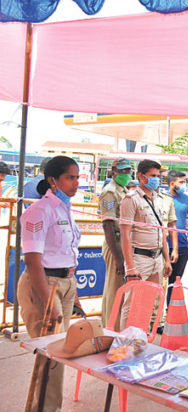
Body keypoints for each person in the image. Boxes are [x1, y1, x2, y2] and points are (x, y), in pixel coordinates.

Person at [17, 155, 83, 412]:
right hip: (43, 283)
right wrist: (49, 303)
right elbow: (33, 261)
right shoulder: (39, 211)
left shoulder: (64, 209)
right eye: (70, 177)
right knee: (51, 354)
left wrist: (73, 294)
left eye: (77, 177)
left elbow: (68, 254)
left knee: (59, 353)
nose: (76, 183)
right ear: (52, 180)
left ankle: (47, 407)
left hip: (65, 284)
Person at [119, 160, 172, 329]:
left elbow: (161, 231)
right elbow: (125, 233)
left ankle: (139, 341)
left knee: (148, 303)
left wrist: (167, 259)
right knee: (132, 303)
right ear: (141, 176)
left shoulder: (158, 199)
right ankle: (125, 344)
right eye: (153, 176)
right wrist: (130, 267)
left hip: (156, 258)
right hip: (139, 258)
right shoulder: (131, 199)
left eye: (159, 176)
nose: (157, 180)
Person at [98, 157, 132, 329]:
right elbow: (108, 224)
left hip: (124, 242)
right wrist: (118, 257)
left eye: (128, 171)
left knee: (122, 289)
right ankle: (110, 329)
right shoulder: (110, 192)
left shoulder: (123, 189)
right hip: (115, 243)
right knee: (114, 289)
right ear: (113, 173)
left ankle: (117, 328)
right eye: (123, 171)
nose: (126, 174)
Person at [164, 170, 188, 305]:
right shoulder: (162, 198)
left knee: (175, 282)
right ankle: (155, 319)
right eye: (181, 182)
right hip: (162, 245)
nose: (184, 185)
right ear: (172, 183)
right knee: (159, 282)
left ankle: (170, 313)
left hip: (182, 246)